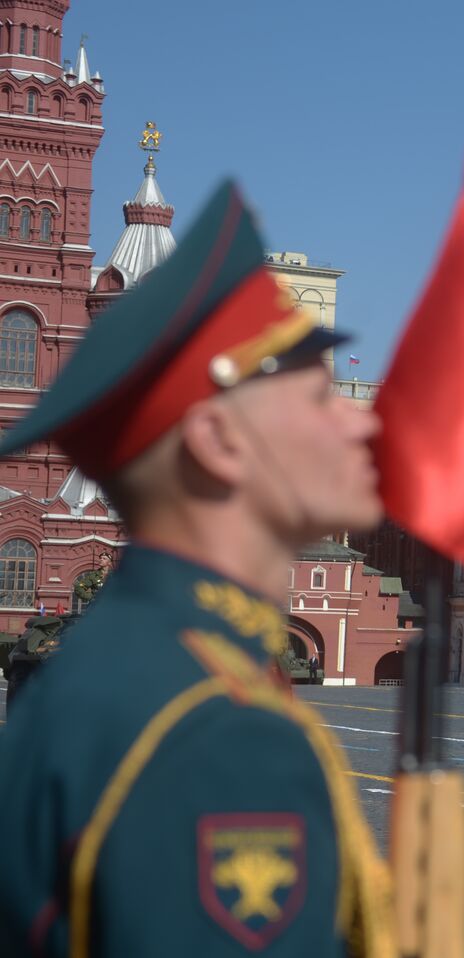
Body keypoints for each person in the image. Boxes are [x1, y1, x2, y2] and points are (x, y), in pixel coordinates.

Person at [0, 183, 394, 957]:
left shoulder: (110, 669)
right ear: (219, 442)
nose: (363, 419)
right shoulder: (219, 732)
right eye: (317, 395)